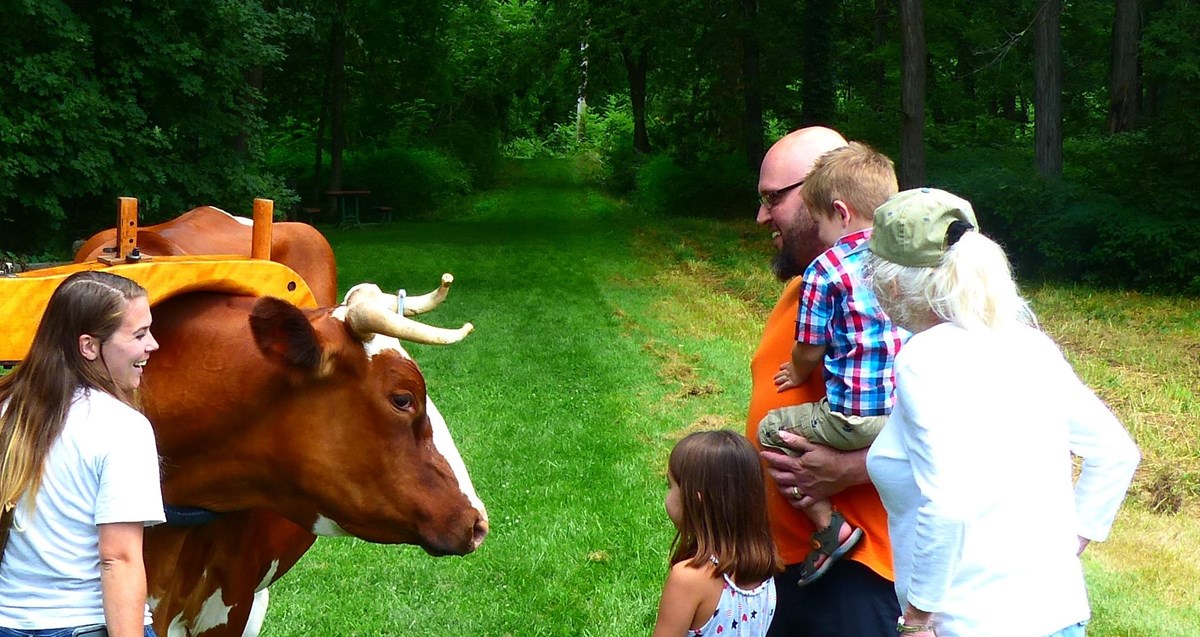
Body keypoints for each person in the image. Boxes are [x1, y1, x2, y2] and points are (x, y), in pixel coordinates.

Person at [864, 188, 1141, 636]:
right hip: (1059, 615)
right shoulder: (1028, 343)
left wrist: (917, 620)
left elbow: (949, 501)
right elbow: (1116, 453)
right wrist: (1062, 553)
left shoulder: (923, 360)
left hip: (972, 623)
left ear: (892, 284)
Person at [750, 127, 901, 636]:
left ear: (830, 198)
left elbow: (970, 431)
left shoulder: (906, 293)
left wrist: (852, 467)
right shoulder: (808, 284)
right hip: (789, 566)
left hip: (862, 574)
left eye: (774, 199)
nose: (762, 216)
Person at [0, 271, 166, 637]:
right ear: (89, 347)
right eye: (139, 335)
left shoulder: (7, 409)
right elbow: (118, 559)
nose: (152, 344)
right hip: (83, 624)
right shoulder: (123, 428)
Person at [652, 430, 781, 637]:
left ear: (695, 499)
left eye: (670, 485)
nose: (667, 495)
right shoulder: (765, 568)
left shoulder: (687, 578)